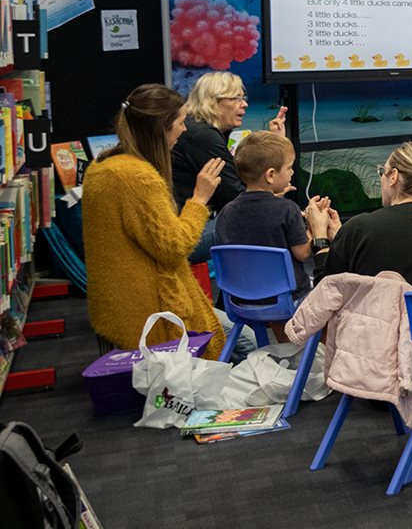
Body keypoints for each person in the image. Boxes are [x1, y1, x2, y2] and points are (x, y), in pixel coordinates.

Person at [84, 84, 227, 358]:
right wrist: (199, 200)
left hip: (119, 306)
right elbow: (173, 246)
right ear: (161, 127)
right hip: (151, 312)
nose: (184, 130)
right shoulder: (138, 178)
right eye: (180, 122)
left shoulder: (102, 167)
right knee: (239, 340)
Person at [170, 70, 287, 262]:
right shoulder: (203, 136)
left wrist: (272, 142)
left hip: (190, 222)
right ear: (212, 102)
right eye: (236, 98)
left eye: (244, 97)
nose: (245, 104)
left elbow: (234, 182)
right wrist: (271, 199)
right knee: (265, 217)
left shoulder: (200, 129)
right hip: (185, 234)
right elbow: (236, 197)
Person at [316, 142, 412, 292]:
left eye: (382, 172)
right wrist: (342, 238)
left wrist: (320, 240)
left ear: (393, 176)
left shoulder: (360, 228)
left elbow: (325, 297)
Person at [215, 130, 334, 298]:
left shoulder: (226, 212)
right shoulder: (287, 209)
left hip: (241, 299)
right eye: (289, 168)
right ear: (271, 175)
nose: (292, 172)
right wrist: (314, 226)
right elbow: (303, 253)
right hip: (286, 299)